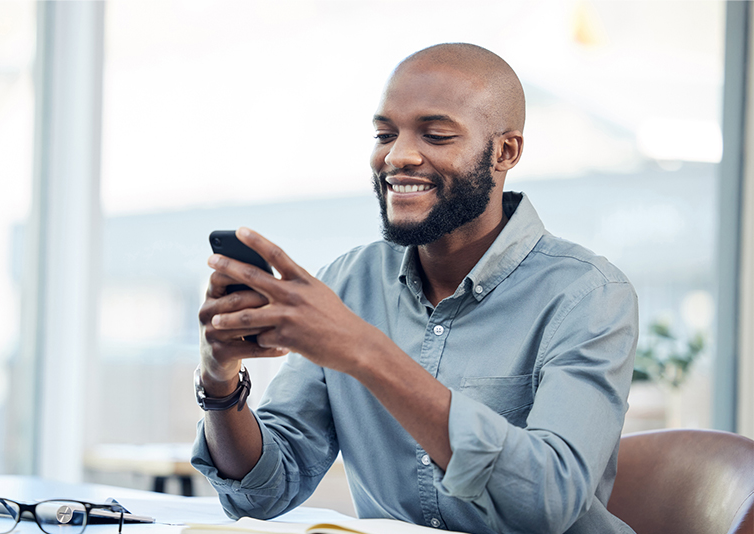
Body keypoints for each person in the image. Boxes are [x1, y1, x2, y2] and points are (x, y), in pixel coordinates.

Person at [191, 43, 638, 534]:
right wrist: (219, 381)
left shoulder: (589, 294)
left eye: (436, 135)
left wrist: (365, 352)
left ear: (505, 152)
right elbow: (268, 489)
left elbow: (546, 503)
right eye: (385, 133)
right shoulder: (347, 282)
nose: (397, 155)